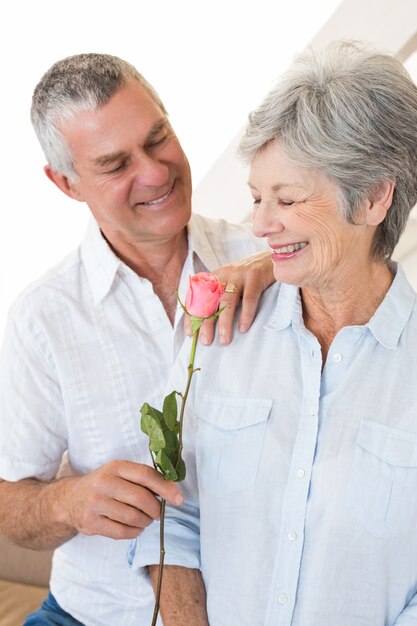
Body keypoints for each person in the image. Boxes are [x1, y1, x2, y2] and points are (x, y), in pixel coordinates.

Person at [132, 40, 417, 625]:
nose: (260, 225)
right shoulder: (219, 330)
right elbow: (172, 512)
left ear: (373, 198)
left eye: (287, 199)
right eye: (257, 197)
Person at [0, 53, 273, 625]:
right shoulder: (42, 318)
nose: (154, 173)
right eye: (115, 163)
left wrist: (280, 267)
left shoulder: (268, 262)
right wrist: (66, 501)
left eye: (158, 138)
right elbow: (9, 500)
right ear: (66, 183)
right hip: (86, 615)